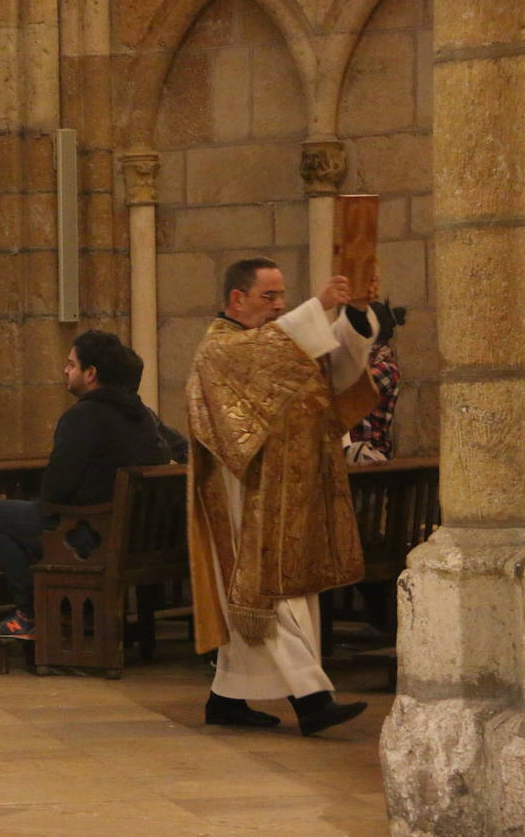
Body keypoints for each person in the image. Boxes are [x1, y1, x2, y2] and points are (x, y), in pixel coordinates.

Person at [187, 257, 376, 736]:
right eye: (268, 296)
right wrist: (319, 306)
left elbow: (334, 373)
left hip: (294, 487)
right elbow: (269, 349)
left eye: (282, 296)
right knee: (269, 594)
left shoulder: (283, 342)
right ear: (237, 300)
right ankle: (312, 700)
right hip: (246, 493)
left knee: (287, 592)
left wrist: (352, 318)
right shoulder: (219, 349)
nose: (278, 305)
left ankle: (225, 699)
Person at [0, 333, 170, 640]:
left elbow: (56, 491)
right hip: (139, 539)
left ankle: (30, 614)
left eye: (71, 365)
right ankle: (66, 611)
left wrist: (43, 496)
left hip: (92, 538)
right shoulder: (143, 416)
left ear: (91, 373)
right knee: (28, 511)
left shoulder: (82, 416)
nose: (65, 371)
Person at [344, 299, 405, 464]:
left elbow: (350, 394)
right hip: (358, 453)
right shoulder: (366, 361)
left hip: (371, 454)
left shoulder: (386, 368)